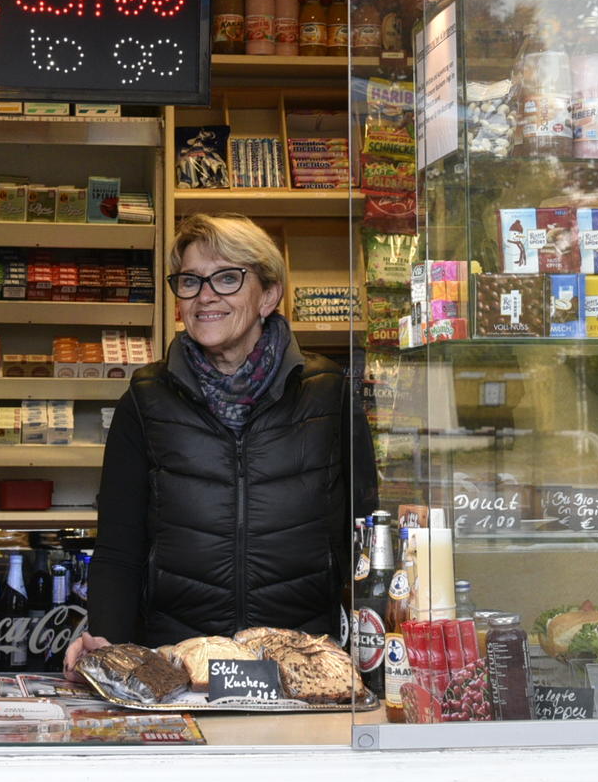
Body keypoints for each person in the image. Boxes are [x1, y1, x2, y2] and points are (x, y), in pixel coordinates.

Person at [65, 214, 376, 665]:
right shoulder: (146, 400)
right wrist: (107, 644)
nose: (205, 295)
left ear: (268, 294)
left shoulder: (328, 393)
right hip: (174, 662)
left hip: (304, 661)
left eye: (227, 279)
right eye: (190, 281)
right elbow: (119, 546)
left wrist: (369, 649)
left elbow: (363, 536)